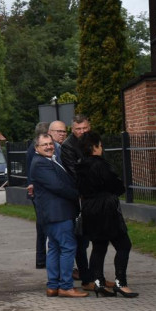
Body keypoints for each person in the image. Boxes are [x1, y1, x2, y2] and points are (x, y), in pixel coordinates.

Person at [76, 132, 138, 298]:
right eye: (100, 145)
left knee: (99, 246)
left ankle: (98, 282)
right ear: (94, 147)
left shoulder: (80, 166)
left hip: (89, 208)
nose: (101, 148)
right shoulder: (101, 165)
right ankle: (121, 282)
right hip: (106, 209)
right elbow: (117, 186)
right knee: (124, 244)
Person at [29, 132, 87, 298]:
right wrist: (78, 194)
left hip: (53, 214)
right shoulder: (40, 163)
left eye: (50, 143)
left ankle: (53, 286)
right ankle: (66, 286)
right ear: (36, 148)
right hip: (58, 214)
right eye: (44, 144)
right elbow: (58, 187)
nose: (49, 146)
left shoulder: (49, 159)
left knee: (54, 248)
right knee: (68, 248)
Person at [60, 115, 92, 285]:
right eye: (78, 129)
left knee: (97, 237)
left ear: (89, 127)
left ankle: (94, 274)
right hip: (80, 197)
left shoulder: (93, 140)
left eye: (84, 128)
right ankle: (86, 276)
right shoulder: (68, 146)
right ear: (72, 129)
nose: (81, 132)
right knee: (81, 239)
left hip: (94, 196)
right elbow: (75, 172)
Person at [26, 122, 50, 269]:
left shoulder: (31, 148)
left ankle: (41, 259)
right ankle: (41, 258)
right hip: (38, 191)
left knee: (41, 225)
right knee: (43, 226)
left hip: (35, 191)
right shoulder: (35, 151)